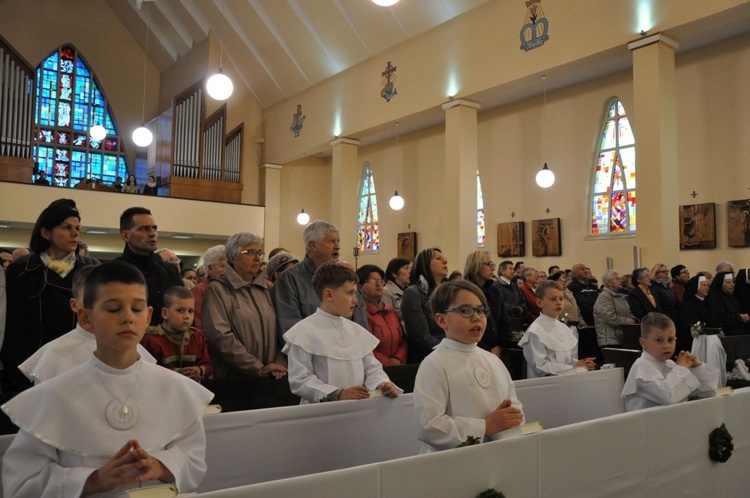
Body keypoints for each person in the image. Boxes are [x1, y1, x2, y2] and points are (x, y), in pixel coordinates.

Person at [2, 261, 214, 496]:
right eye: (113, 309)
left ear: (148, 316)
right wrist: (91, 480)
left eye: (137, 308)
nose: (127, 318)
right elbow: (22, 482)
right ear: (86, 316)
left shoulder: (177, 388)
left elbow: (193, 456)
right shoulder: (53, 395)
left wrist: (161, 464)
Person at [413, 280, 524, 453]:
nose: (476, 317)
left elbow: (513, 407)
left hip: (497, 453)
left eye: (481, 310)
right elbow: (430, 426)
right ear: (441, 320)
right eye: (465, 311)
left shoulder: (493, 360)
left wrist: (509, 422)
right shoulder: (434, 364)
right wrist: (485, 428)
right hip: (452, 461)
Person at [1, 199, 99, 393]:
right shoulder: (21, 271)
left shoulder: (92, 269)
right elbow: (11, 326)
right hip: (31, 365)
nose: (75, 233)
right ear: (45, 233)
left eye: (77, 228)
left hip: (81, 362)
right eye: (66, 227)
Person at [282, 263, 399, 403]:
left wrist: (382, 383)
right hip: (320, 414)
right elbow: (300, 380)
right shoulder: (303, 331)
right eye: (350, 293)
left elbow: (372, 369)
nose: (355, 300)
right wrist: (337, 394)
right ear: (329, 295)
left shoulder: (357, 331)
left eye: (355, 293)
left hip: (358, 410)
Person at [19, 265, 156, 385]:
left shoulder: (133, 348)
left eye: (136, 308)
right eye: (113, 307)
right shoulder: (55, 354)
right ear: (75, 305)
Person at [202, 232, 287, 379]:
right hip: (235, 379)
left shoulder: (267, 289)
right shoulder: (217, 290)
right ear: (233, 258)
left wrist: (278, 364)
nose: (257, 258)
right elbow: (221, 338)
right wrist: (257, 368)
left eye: (259, 253)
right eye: (250, 252)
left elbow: (281, 331)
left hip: (271, 376)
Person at [275, 220, 367, 334]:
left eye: (338, 241)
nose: (337, 246)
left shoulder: (345, 276)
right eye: (331, 241)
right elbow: (290, 328)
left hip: (348, 347)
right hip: (311, 349)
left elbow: (359, 316)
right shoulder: (290, 279)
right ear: (313, 245)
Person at [621, 312, 719, 412]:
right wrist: (682, 368)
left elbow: (706, 392)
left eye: (670, 339)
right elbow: (668, 396)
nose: (666, 345)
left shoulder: (671, 364)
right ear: (643, 343)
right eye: (659, 340)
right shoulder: (641, 366)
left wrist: (696, 367)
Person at [116, 207, 184, 325]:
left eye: (154, 228)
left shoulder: (170, 271)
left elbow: (183, 310)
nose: (152, 234)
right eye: (144, 229)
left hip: (167, 341)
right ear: (126, 236)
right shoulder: (112, 272)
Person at [518, 281, 596, 378]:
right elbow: (540, 367)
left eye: (561, 298)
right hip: (545, 386)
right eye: (553, 299)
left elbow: (570, 359)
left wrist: (583, 365)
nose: (559, 302)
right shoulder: (535, 331)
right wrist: (573, 367)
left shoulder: (565, 328)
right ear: (539, 302)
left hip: (568, 382)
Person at [141, 286, 212, 382]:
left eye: (190, 311)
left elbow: (208, 365)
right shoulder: (152, 338)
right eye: (180, 310)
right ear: (165, 313)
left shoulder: (196, 337)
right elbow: (148, 371)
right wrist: (178, 373)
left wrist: (198, 370)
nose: (187, 316)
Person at [401, 247, 449, 363]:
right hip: (427, 358)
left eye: (444, 258)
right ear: (425, 264)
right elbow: (420, 336)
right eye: (438, 259)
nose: (445, 261)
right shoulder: (413, 293)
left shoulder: (449, 292)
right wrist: (447, 351)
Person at [356, 264, 408, 366]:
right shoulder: (360, 313)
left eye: (380, 281)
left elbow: (403, 340)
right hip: (375, 367)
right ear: (360, 287)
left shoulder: (391, 311)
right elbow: (365, 345)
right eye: (373, 281)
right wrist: (387, 362)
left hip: (398, 366)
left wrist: (398, 358)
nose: (379, 284)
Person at [463, 250, 513, 356]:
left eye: (493, 264)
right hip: (475, 351)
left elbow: (504, 321)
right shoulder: (465, 292)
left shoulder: (494, 291)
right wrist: (487, 351)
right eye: (489, 264)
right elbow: (467, 327)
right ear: (476, 266)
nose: (493, 268)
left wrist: (500, 346)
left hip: (498, 350)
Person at [593, 270, 637, 347]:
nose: (621, 280)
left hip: (623, 337)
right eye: (617, 279)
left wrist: (634, 319)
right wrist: (630, 321)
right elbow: (610, 318)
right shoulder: (604, 297)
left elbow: (629, 312)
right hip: (611, 340)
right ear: (609, 282)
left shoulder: (621, 296)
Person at [191, 245, 226, 331]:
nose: (228, 271)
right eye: (223, 266)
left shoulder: (231, 289)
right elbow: (200, 325)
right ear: (210, 268)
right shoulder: (198, 291)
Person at [706, 271, 749, 335]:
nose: (732, 284)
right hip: (726, 333)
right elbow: (719, 317)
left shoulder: (730, 297)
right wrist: (739, 317)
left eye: (732, 282)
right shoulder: (715, 297)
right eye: (728, 282)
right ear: (721, 283)